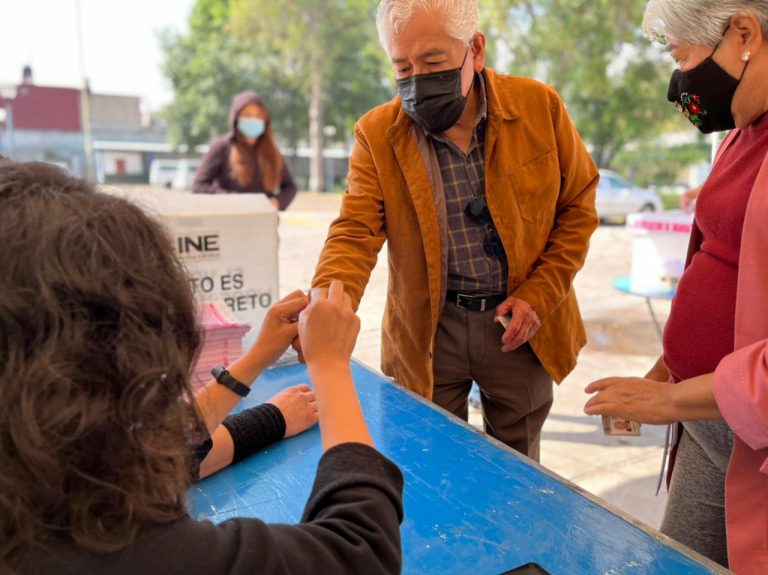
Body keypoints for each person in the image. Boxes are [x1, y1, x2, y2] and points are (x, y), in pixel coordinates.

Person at [0, 161, 403, 574]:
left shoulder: (36, 485)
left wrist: (260, 378)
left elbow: (168, 456)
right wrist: (331, 367)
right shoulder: (121, 547)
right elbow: (361, 551)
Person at [309, 0, 599, 460]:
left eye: (434, 62)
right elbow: (354, 232)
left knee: (519, 472)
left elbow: (578, 206)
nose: (418, 78)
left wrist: (539, 294)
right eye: (402, 66)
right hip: (429, 329)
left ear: (475, 50)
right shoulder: (378, 133)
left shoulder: (539, 107)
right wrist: (325, 304)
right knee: (428, 460)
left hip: (518, 327)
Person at [584, 2, 768, 572]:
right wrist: (669, 369)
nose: (679, 83)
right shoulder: (744, 128)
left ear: (744, 33)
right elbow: (722, 258)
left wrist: (668, 400)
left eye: (683, 56)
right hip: (710, 424)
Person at [193, 92, 297, 210]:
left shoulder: (272, 151)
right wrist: (232, 200)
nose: (253, 120)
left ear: (265, 120)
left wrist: (276, 202)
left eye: (258, 116)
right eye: (247, 115)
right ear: (236, 118)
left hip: (262, 220)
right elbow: (199, 185)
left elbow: (290, 187)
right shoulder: (221, 147)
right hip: (227, 218)